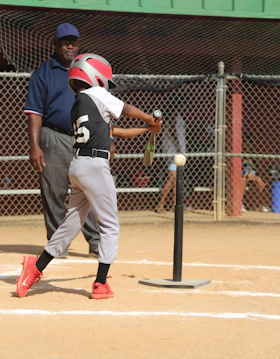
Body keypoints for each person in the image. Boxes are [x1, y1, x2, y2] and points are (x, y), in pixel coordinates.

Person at [16, 53, 162, 300]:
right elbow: (125, 109)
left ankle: (36, 266)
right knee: (110, 224)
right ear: (96, 75)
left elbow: (116, 131)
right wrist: (150, 117)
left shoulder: (80, 104)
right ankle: (100, 283)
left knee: (71, 223)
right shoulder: (99, 95)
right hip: (95, 167)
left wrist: (149, 129)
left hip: (79, 166)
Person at [24, 23, 100, 258]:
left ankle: (96, 242)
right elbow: (35, 111)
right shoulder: (42, 73)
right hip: (54, 137)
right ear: (55, 44)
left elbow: (101, 104)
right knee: (54, 192)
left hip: (84, 137)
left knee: (88, 190)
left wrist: (107, 136)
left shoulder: (87, 70)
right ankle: (58, 245)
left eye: (73, 42)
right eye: (65, 42)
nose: (70, 46)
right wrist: (35, 146)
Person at [156, 112, 186, 213]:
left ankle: (175, 205)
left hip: (177, 151)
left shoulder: (178, 116)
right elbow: (173, 130)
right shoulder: (173, 115)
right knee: (173, 176)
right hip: (173, 151)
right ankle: (161, 204)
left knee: (176, 179)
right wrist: (178, 146)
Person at [241, 134, 269, 213]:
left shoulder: (252, 154)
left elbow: (257, 168)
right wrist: (246, 175)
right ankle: (240, 204)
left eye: (249, 143)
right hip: (242, 176)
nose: (247, 145)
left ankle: (263, 204)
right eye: (245, 143)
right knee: (243, 180)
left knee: (260, 181)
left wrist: (255, 175)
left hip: (252, 176)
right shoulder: (239, 154)